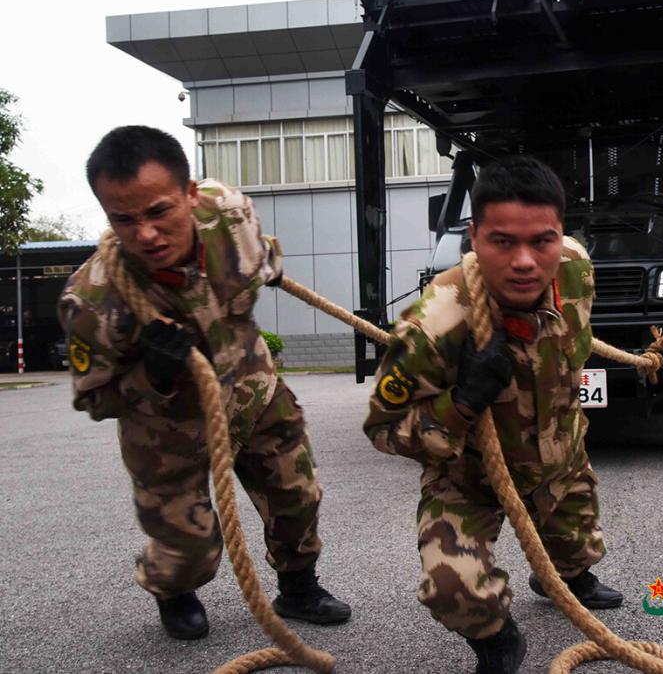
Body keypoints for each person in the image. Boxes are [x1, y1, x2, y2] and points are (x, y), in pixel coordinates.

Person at [58, 125, 350, 641]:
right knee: (188, 552)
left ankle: (298, 586)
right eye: (123, 219)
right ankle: (172, 588)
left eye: (159, 211)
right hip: (165, 430)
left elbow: (262, 260)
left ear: (191, 195)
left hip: (251, 388)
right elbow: (95, 398)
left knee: (297, 494)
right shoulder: (93, 303)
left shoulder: (231, 215)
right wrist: (153, 374)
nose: (145, 233)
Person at [363, 155, 622, 674]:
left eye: (541, 240)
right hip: (470, 477)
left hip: (559, 458)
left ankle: (567, 578)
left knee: (580, 549)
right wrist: (461, 402)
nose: (525, 261)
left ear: (560, 235)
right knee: (451, 589)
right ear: (473, 239)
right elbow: (384, 429)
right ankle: (497, 642)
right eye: (502, 242)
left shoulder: (576, 269)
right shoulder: (436, 320)